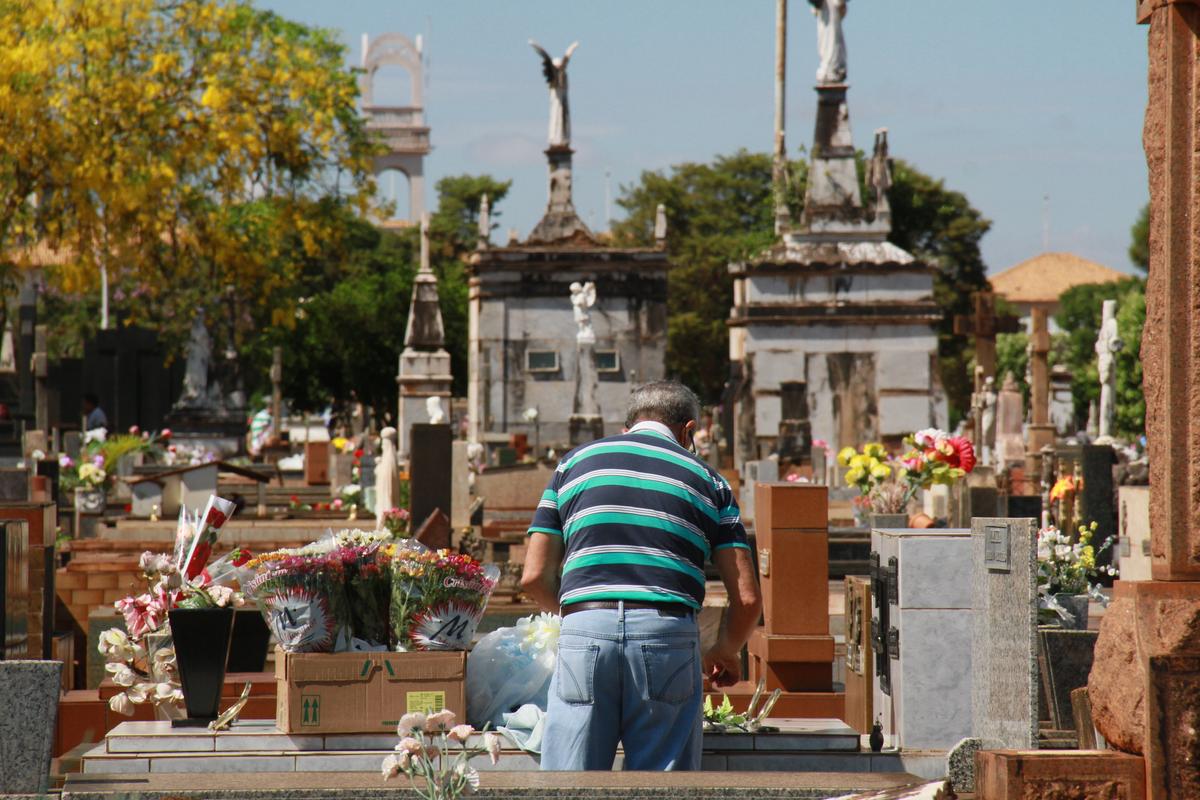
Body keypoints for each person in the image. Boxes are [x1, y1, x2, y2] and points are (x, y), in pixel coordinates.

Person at [521, 381, 762, 771]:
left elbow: (533, 576)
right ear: (688, 432)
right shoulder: (709, 480)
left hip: (585, 628)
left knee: (570, 784)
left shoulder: (573, 464)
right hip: (666, 636)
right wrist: (725, 649)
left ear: (627, 427)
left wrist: (580, 620)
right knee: (661, 786)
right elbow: (748, 598)